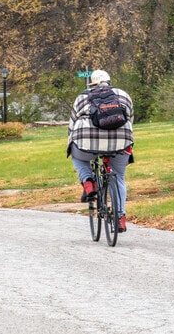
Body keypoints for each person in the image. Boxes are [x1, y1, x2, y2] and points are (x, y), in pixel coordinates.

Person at [67, 69, 134, 232]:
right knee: (119, 177)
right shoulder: (123, 95)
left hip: (87, 141)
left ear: (92, 83)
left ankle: (89, 182)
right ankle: (121, 218)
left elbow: (72, 123)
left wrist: (71, 142)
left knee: (78, 157)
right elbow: (130, 119)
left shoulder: (82, 96)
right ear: (109, 81)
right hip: (121, 141)